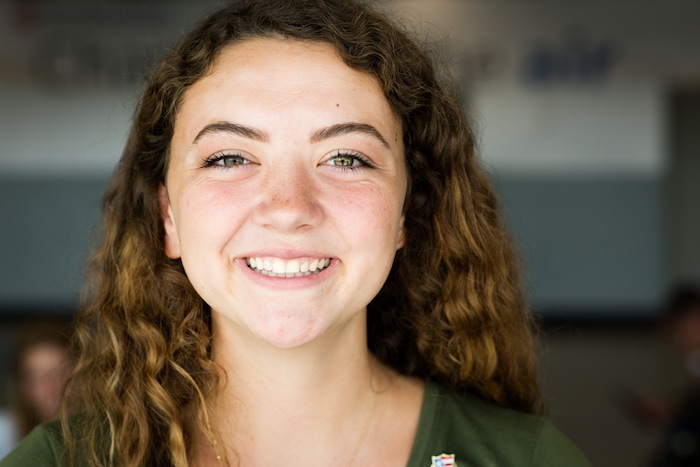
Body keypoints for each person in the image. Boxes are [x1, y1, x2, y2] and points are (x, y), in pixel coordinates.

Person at [1, 0, 590, 465]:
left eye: (347, 158)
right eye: (229, 158)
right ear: (168, 219)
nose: (288, 208)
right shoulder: (62, 461)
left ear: (406, 213)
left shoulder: (525, 459)